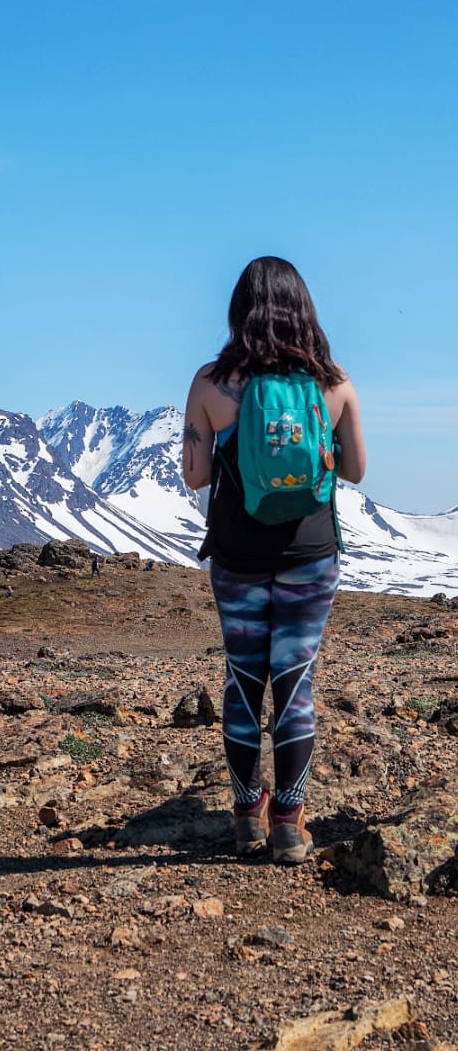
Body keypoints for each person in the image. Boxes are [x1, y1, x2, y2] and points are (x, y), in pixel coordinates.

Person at [182, 257, 366, 865]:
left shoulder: (211, 382)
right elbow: (358, 469)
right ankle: (289, 820)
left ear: (239, 310)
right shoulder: (333, 382)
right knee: (295, 681)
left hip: (236, 554)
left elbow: (195, 474)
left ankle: (245, 820)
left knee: (244, 680)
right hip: (311, 553)